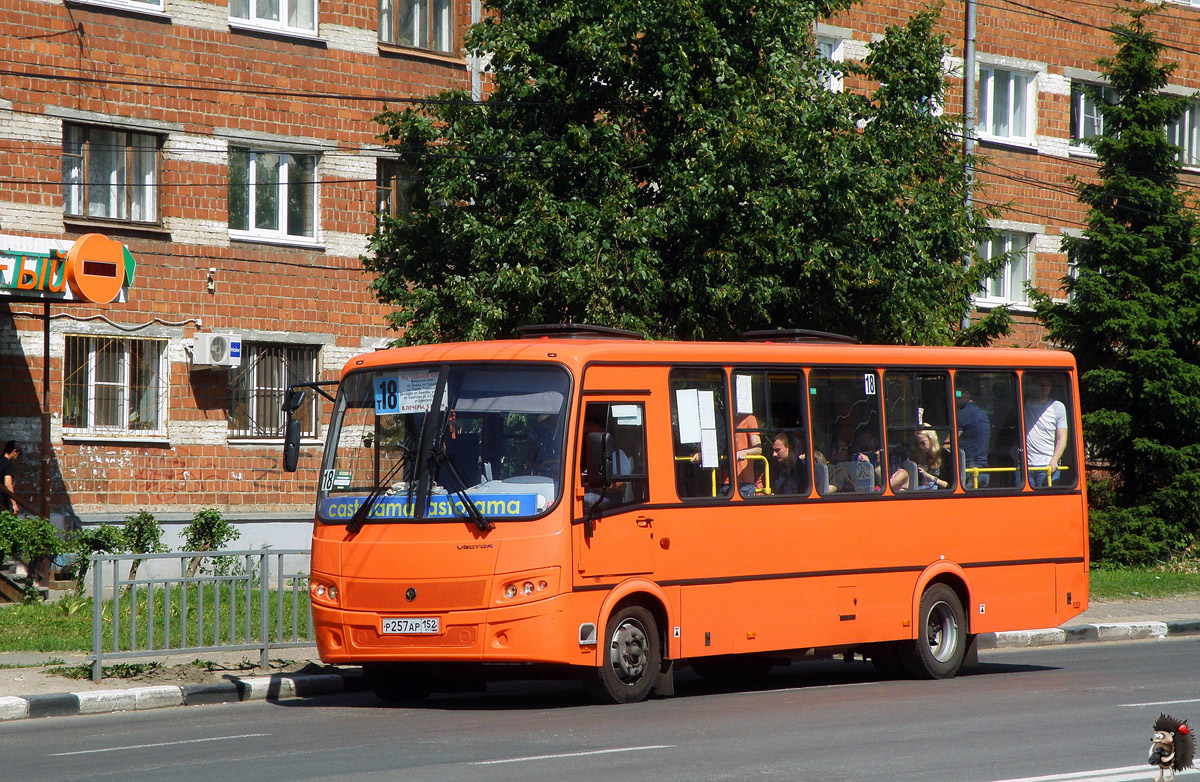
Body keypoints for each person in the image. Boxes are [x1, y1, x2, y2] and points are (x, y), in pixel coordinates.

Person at [1023, 374, 1068, 487]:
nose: (1044, 387)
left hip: (1047, 466)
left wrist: (1055, 460)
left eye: (1047, 385)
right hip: (1026, 466)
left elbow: (1062, 438)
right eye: (1041, 384)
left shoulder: (1057, 407)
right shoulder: (1025, 405)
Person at [955, 380, 991, 488]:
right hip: (983, 470)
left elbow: (949, 441)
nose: (955, 397)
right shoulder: (980, 413)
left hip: (970, 471)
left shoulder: (964, 414)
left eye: (957, 393)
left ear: (967, 393)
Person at [733, 412, 764, 497]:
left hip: (743, 481)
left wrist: (745, 452)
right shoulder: (721, 417)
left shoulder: (748, 419)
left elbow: (758, 449)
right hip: (720, 480)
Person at [1, 440, 20, 514]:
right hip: (2, 502)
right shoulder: (9, 464)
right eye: (18, 453)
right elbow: (8, 484)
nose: (18, 456)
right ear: (14, 451)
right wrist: (14, 504)